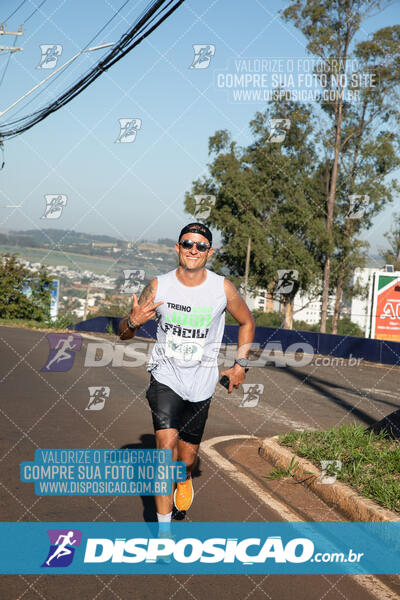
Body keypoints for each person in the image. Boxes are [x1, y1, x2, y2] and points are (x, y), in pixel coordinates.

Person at [119, 223, 255, 528]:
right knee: (164, 450)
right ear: (177, 248)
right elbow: (123, 335)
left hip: (202, 381)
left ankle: (183, 479)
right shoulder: (159, 286)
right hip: (165, 376)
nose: (194, 250)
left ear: (209, 252)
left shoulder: (222, 288)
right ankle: (164, 533)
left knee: (187, 460)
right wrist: (132, 321)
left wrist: (241, 363)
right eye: (187, 244)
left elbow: (247, 322)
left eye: (200, 245)